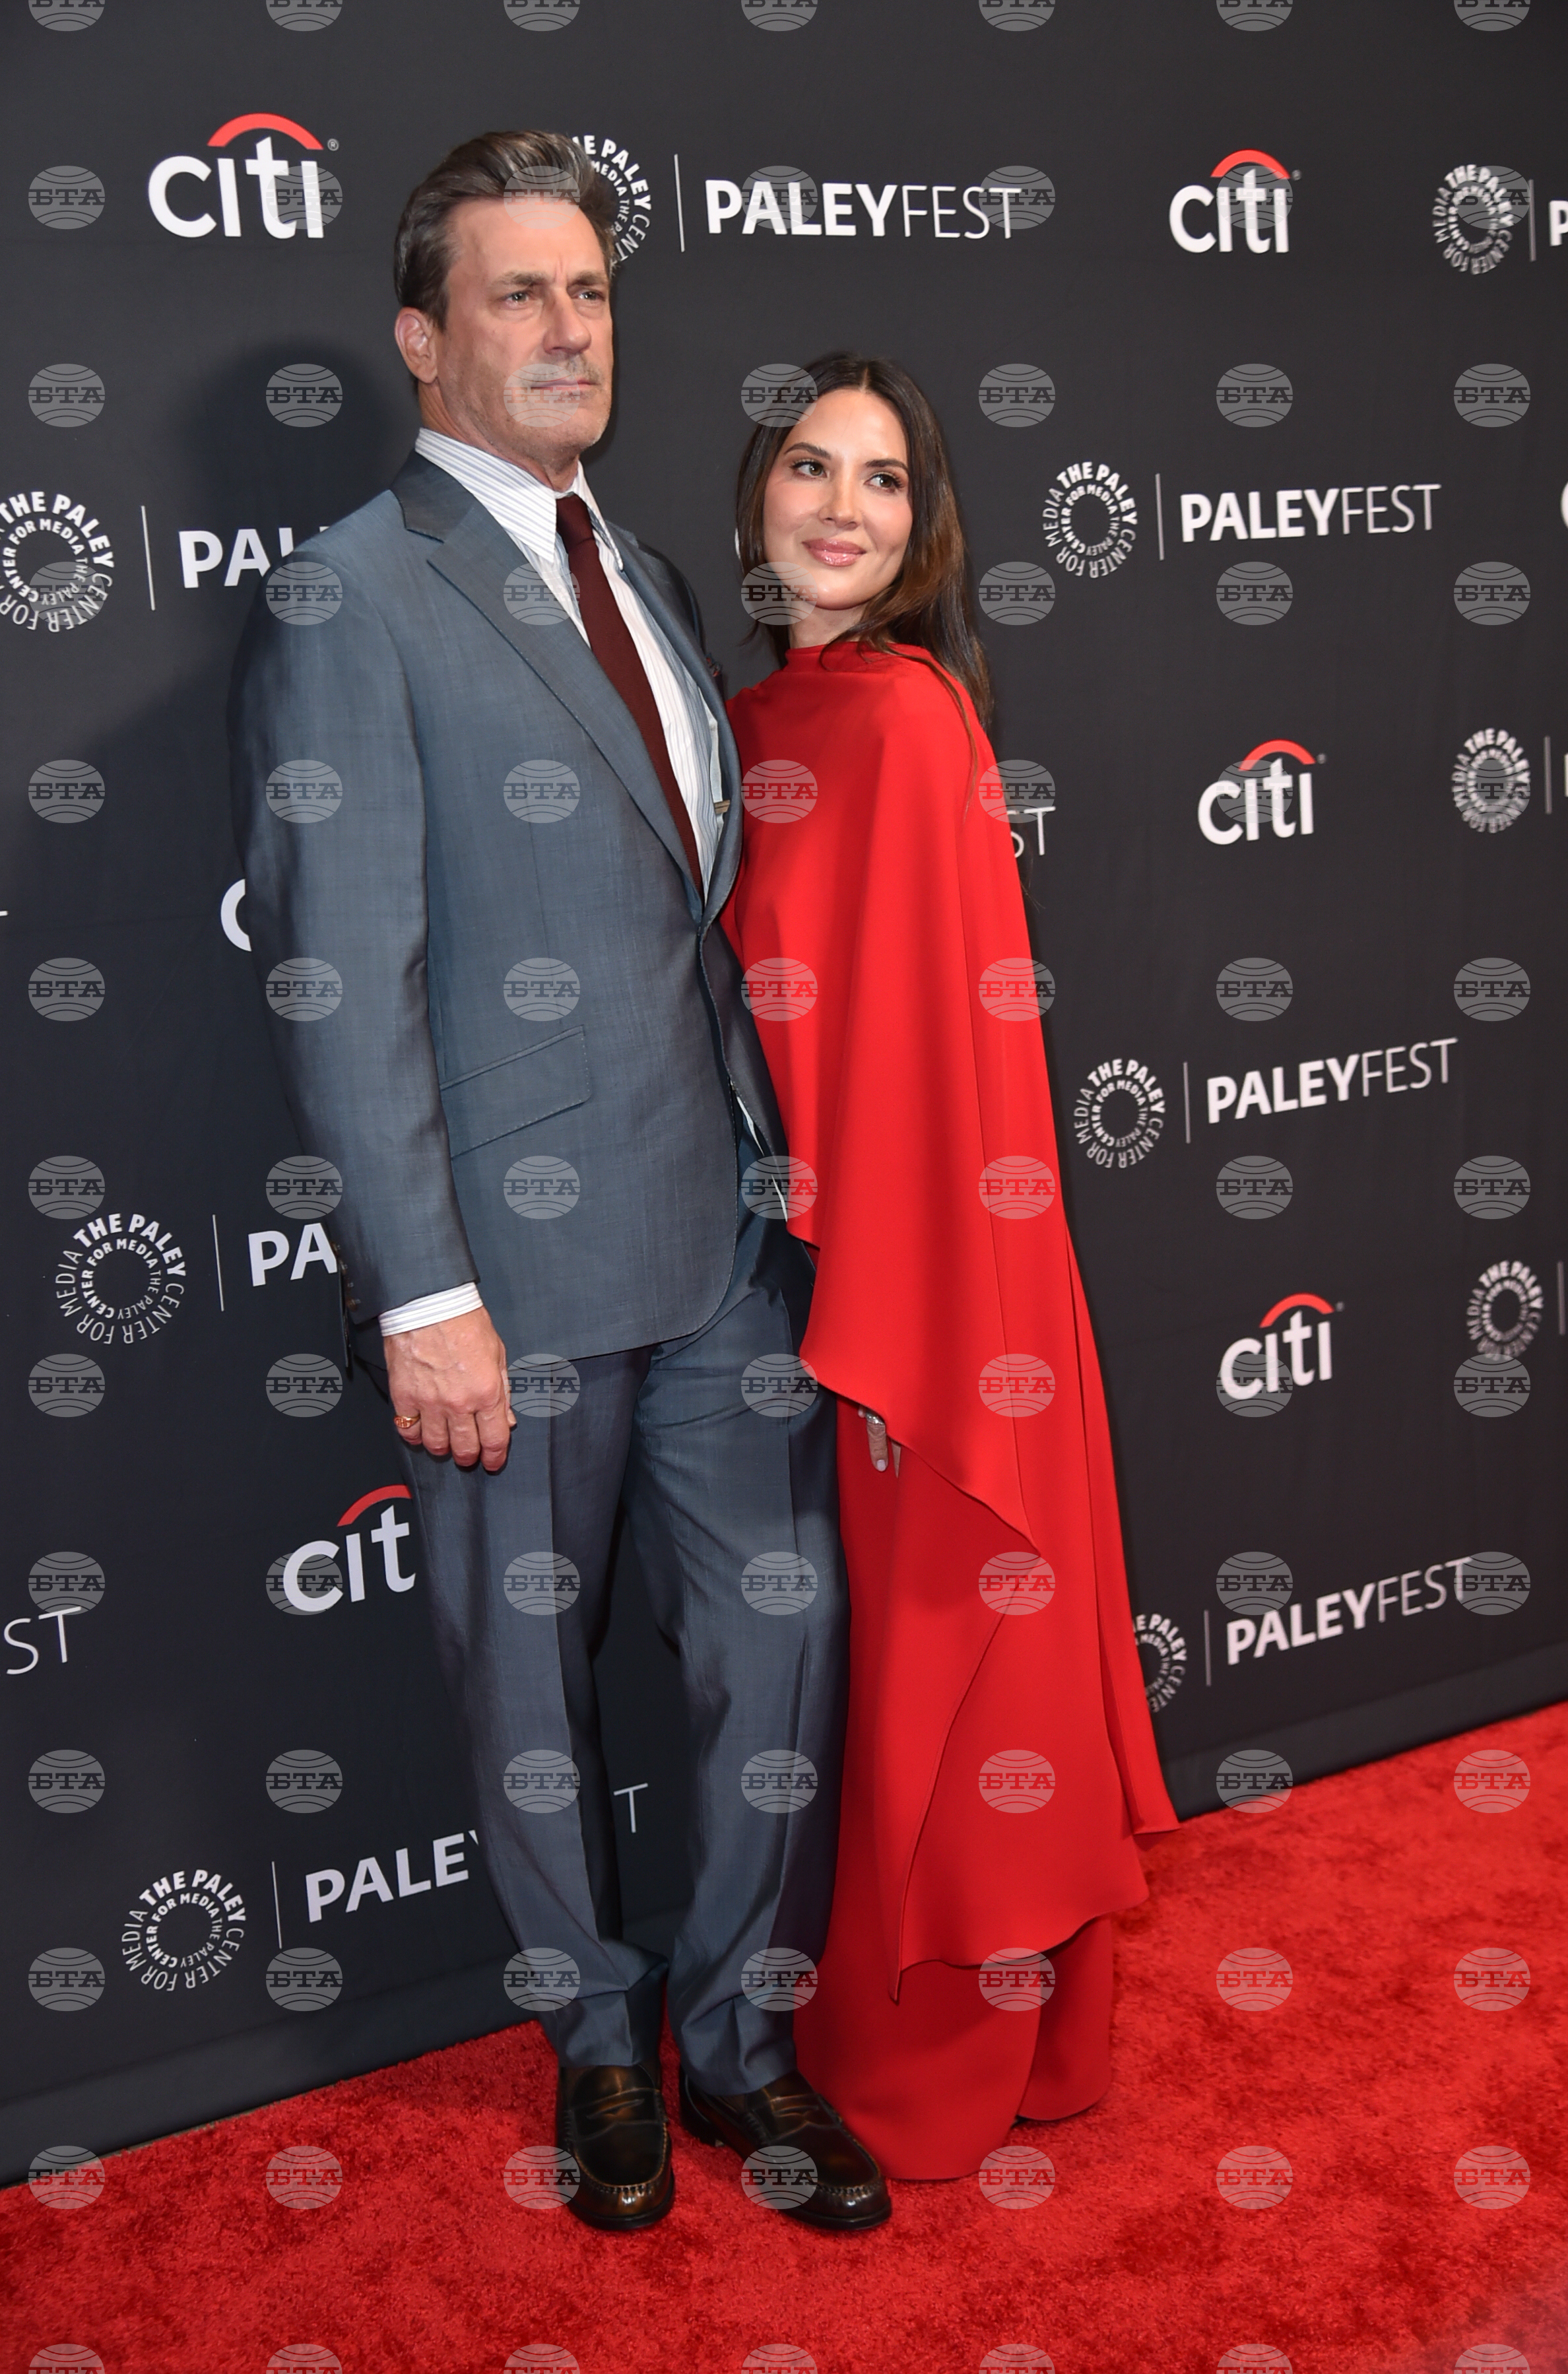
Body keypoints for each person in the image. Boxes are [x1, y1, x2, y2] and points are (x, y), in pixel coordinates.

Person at [229, 137, 887, 2235]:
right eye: (519, 296)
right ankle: (597, 2045)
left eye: (591, 291)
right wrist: (421, 1292)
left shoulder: (663, 580)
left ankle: (739, 2044)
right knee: (520, 1690)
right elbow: (344, 971)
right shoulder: (352, 589)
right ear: (422, 341)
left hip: (725, 1252)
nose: (570, 328)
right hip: (510, 1278)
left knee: (776, 1660)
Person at [725, 352, 1179, 2180]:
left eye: (887, 480)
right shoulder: (753, 719)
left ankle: (934, 2057)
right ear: (756, 499)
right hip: (817, 1278)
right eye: (814, 469)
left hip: (932, 1301)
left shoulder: (910, 719)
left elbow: (958, 1071)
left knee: (949, 1658)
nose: (845, 506)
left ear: (925, 531)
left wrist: (931, 1337)